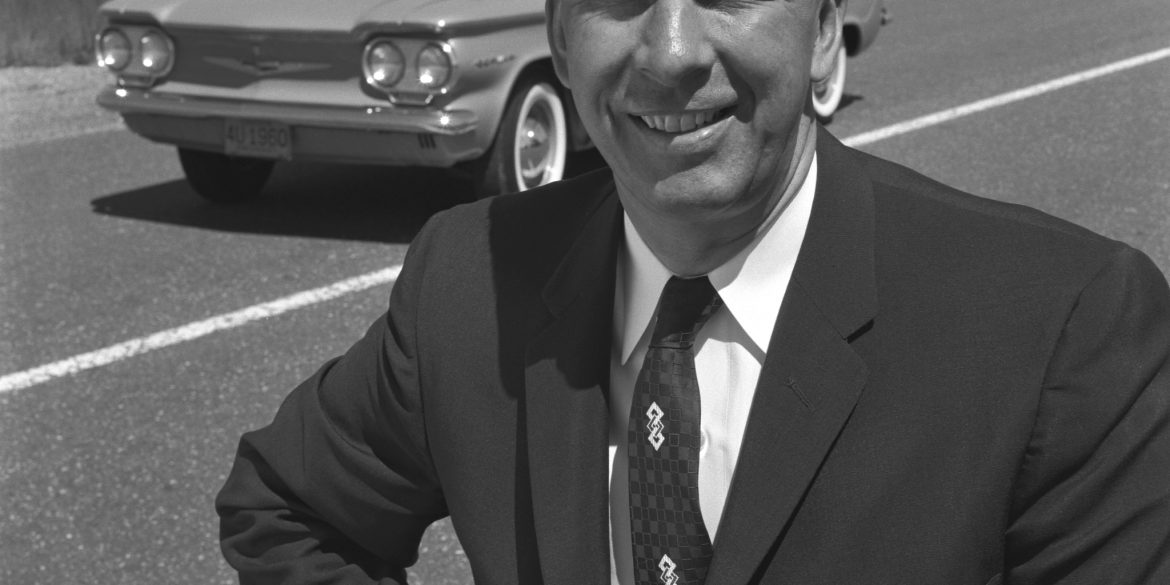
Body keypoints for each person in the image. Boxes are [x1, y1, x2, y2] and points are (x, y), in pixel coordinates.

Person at [216, 0, 1170, 583]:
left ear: (827, 38)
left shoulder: (1063, 332)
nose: (669, 49)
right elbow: (288, 508)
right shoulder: (468, 277)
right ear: (558, 32)